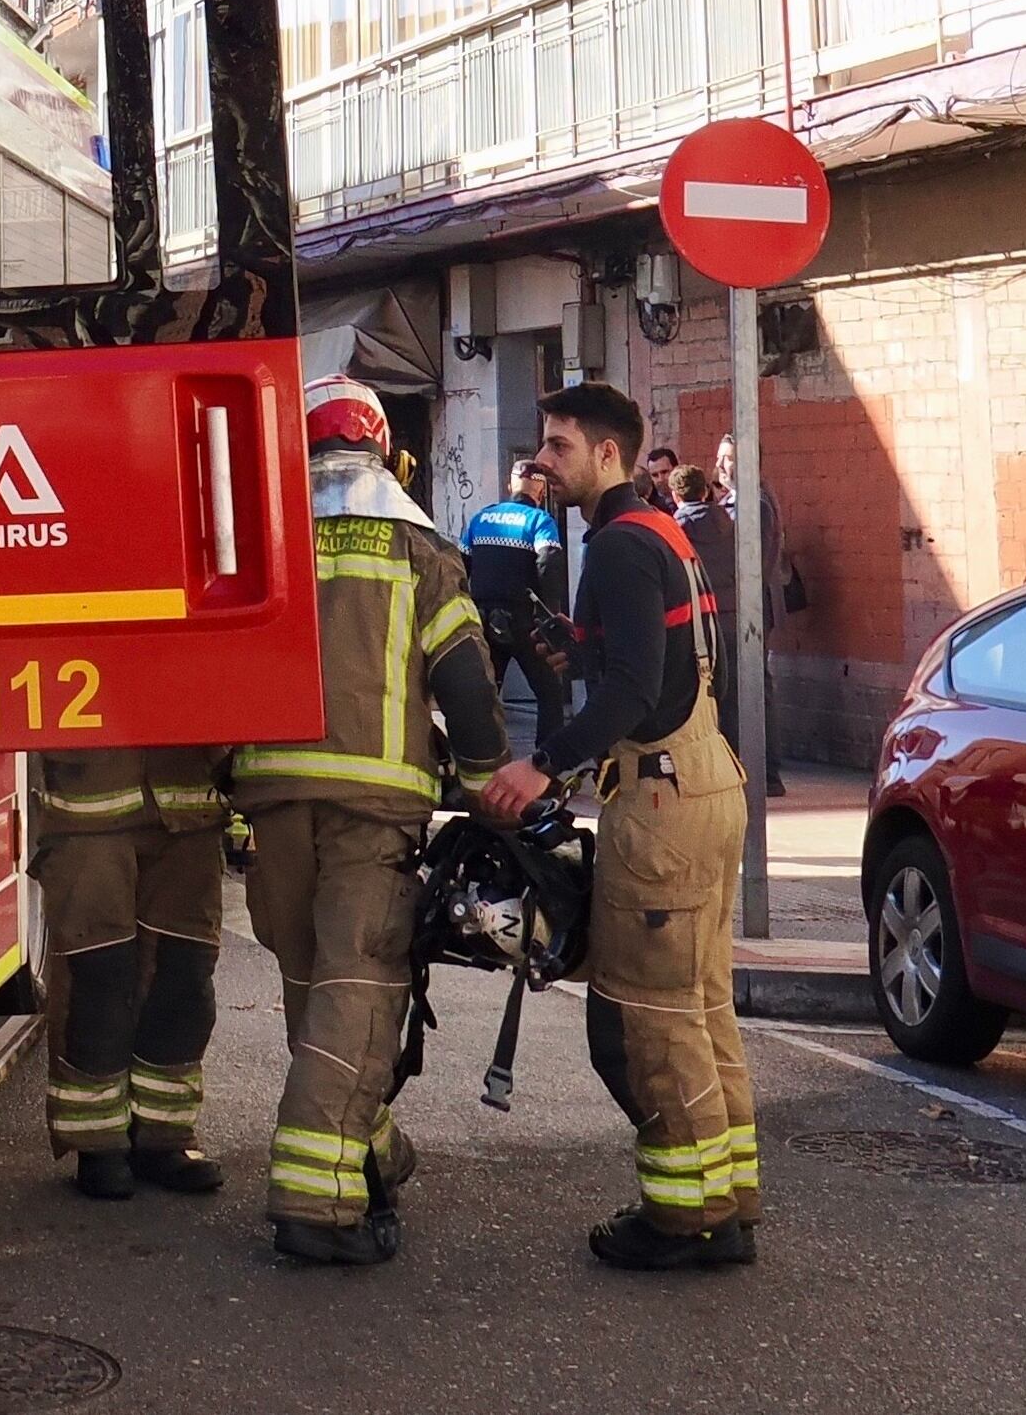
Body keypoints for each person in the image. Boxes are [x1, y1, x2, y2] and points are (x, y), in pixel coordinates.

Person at [482, 383, 759, 1272]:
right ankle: (727, 1200)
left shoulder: (618, 550)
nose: (543, 461)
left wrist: (542, 762)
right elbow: (637, 663)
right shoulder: (661, 536)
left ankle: (683, 1222)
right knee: (702, 1007)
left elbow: (633, 691)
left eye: (559, 446)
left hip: (663, 802)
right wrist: (540, 622)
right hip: (709, 783)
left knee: (644, 1021)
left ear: (608, 455)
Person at [234, 377, 510, 1266]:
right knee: (357, 991)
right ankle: (314, 1201)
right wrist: (483, 783)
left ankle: (373, 1153)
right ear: (388, 452)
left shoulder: (260, 540)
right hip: (373, 808)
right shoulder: (420, 548)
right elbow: (466, 682)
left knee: (315, 988)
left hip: (272, 799)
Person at [32, 744, 229, 1200]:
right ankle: (97, 1143)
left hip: (188, 810)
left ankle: (164, 1137)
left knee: (184, 972)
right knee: (98, 976)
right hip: (89, 810)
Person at [460, 460, 570, 742]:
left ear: (509, 486)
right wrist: (550, 614)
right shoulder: (540, 521)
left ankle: (481, 757)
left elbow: (460, 565)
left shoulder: (481, 518)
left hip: (483, 618)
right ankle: (547, 764)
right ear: (541, 491)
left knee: (483, 693)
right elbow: (549, 564)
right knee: (549, 693)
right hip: (524, 621)